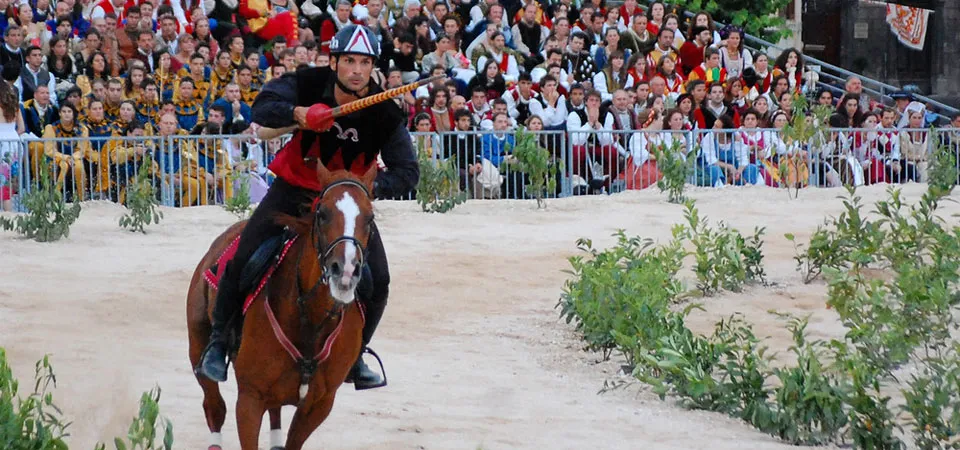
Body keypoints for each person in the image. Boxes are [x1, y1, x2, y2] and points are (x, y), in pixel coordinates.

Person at [197, 24, 419, 391]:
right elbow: (262, 108)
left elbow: (408, 172)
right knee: (244, 256)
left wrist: (363, 189)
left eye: (365, 62)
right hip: (295, 190)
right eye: (349, 60)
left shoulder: (385, 111)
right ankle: (219, 342)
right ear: (334, 62)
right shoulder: (307, 81)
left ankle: (357, 356)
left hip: (345, 205)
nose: (357, 70)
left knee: (379, 280)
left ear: (373, 67)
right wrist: (299, 113)